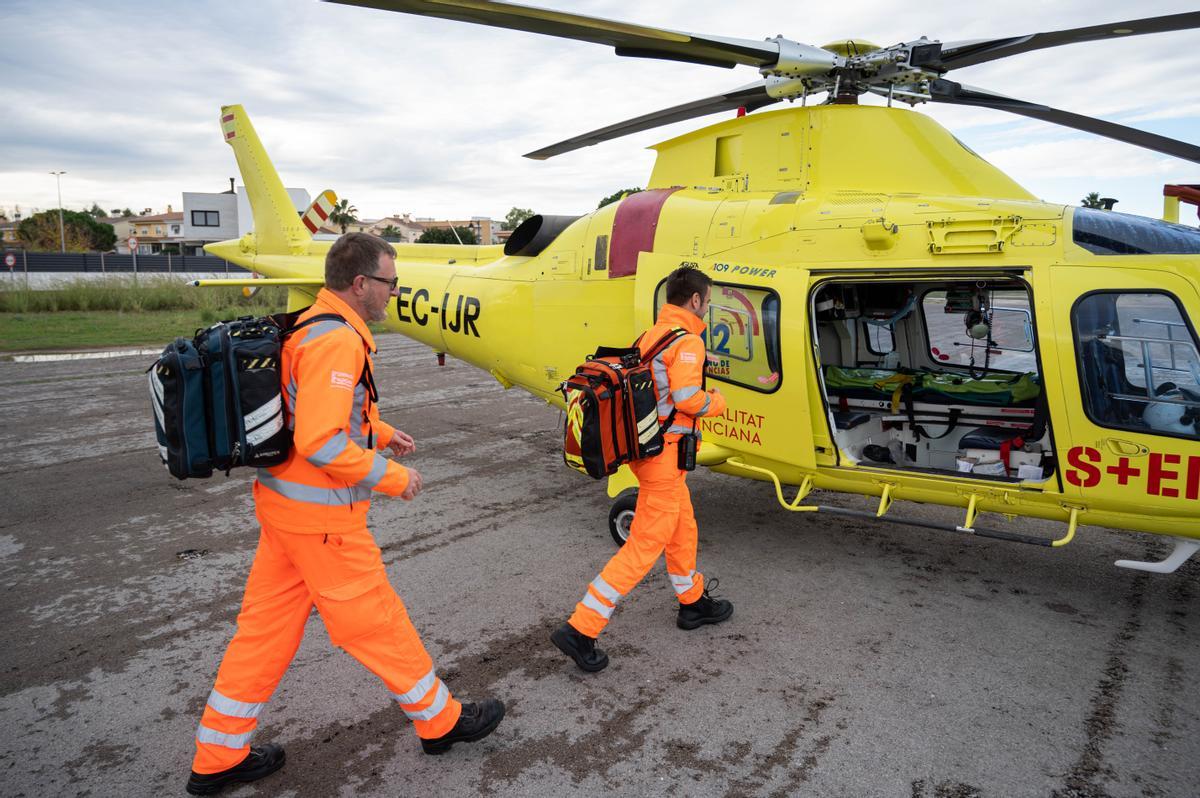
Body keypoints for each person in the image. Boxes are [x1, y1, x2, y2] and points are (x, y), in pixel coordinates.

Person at [186, 233, 503, 795]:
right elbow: (320, 440)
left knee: (262, 633)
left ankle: (218, 753)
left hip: (285, 512)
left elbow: (305, 408)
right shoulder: (338, 341)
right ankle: (442, 721)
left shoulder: (311, 324)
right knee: (378, 623)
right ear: (360, 283)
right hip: (322, 522)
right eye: (390, 282)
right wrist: (394, 479)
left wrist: (379, 432)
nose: (395, 293)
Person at [551, 265, 733, 672]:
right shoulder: (687, 342)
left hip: (649, 452)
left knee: (683, 527)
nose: (707, 307)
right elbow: (687, 398)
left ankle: (692, 603)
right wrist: (716, 400)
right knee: (644, 546)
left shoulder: (653, 335)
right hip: (665, 456)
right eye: (707, 301)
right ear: (696, 300)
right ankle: (581, 628)